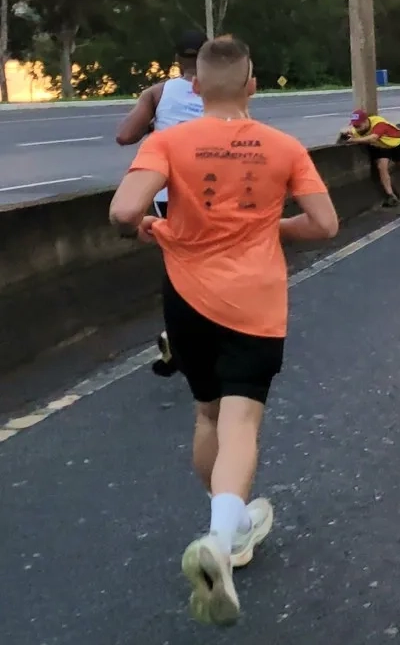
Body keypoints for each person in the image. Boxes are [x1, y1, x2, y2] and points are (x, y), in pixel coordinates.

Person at [108, 36, 339, 626]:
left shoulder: (166, 141)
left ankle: (228, 525)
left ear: (195, 86)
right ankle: (220, 537)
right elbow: (324, 223)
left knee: (208, 416)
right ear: (252, 86)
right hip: (256, 299)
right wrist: (269, 229)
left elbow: (124, 212)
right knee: (242, 422)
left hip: (187, 298)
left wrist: (153, 228)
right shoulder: (284, 147)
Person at [115, 29, 207, 378]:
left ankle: (180, 335)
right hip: (218, 189)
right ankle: (199, 334)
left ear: (177, 59)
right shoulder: (223, 90)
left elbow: (125, 135)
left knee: (181, 264)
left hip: (170, 195)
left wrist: (155, 122)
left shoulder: (157, 92)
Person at [339, 109, 400, 206]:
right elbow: (346, 135)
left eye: (358, 126)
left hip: (397, 142)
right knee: (381, 167)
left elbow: (373, 138)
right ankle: (391, 196)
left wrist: (354, 140)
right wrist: (344, 135)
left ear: (366, 121)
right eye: (355, 126)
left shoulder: (379, 123)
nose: (357, 129)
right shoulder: (357, 129)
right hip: (382, 145)